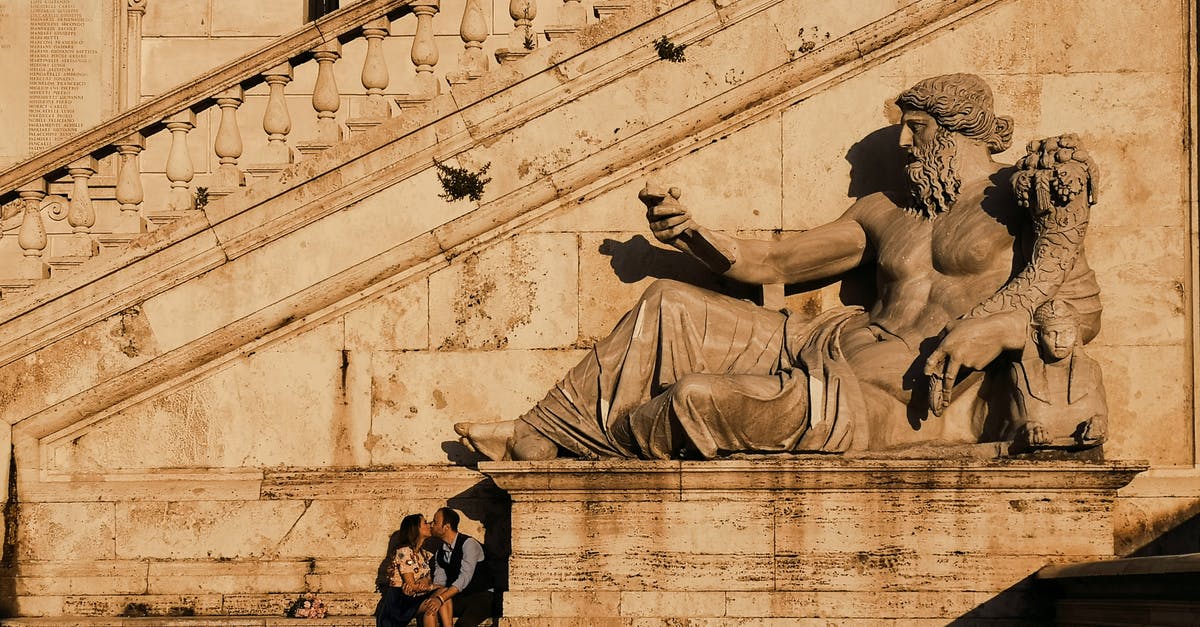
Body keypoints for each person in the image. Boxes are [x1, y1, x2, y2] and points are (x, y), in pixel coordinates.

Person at [455, 73, 1101, 460]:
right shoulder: (885, 209)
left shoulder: (1022, 201)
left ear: (956, 129)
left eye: (916, 128)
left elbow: (1078, 309)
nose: (903, 144)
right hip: (818, 341)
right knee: (668, 304)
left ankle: (596, 443)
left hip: (872, 398)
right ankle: (538, 432)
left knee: (696, 399)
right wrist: (693, 236)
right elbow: (774, 261)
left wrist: (996, 330)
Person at [1008, 299, 1107, 449]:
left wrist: (1098, 424)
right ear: (1037, 337)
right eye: (1052, 334)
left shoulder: (1092, 369)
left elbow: (1101, 415)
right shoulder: (1019, 371)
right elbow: (1010, 423)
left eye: (1068, 332)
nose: (1060, 341)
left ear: (1076, 334)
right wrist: (1027, 428)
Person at [422, 508, 495, 627]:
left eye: (435, 522)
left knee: (463, 625)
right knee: (430, 610)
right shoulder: (440, 553)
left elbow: (464, 578)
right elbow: (440, 583)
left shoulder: (469, 544)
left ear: (446, 527)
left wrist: (440, 599)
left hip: (483, 596)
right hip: (461, 597)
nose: (431, 524)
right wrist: (425, 587)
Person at [376, 514, 452, 627]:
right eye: (425, 523)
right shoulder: (404, 551)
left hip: (415, 598)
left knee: (436, 602)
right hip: (401, 601)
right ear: (416, 529)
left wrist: (426, 582)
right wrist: (434, 586)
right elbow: (412, 586)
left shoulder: (424, 553)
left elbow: (427, 580)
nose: (430, 524)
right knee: (439, 596)